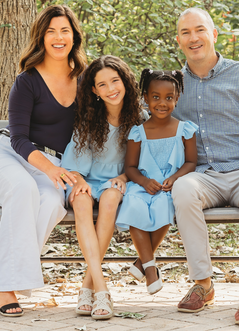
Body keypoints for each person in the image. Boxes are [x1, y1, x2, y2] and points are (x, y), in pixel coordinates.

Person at [0, 5, 87, 317]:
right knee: (23, 190)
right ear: (41, 38)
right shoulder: (28, 81)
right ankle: (6, 288)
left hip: (48, 168)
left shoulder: (85, 81)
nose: (58, 37)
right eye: (51, 31)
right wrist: (51, 169)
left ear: (74, 36)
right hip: (7, 157)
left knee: (52, 203)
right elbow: (18, 138)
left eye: (65, 30)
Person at [171, 7, 239, 327]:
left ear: (214, 34)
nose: (194, 38)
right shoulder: (174, 84)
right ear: (179, 40)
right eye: (187, 33)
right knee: (183, 189)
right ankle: (203, 284)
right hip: (203, 174)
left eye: (200, 30)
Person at [61, 55, 146, 320]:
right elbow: (74, 167)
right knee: (82, 201)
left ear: (125, 82)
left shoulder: (140, 119)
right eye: (102, 85)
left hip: (117, 182)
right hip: (85, 179)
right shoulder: (88, 120)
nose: (111, 89)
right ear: (95, 91)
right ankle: (101, 288)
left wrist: (124, 176)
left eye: (115, 81)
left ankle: (88, 287)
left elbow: (146, 162)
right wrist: (81, 181)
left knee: (110, 200)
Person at [115, 69, 198, 295]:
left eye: (169, 98)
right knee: (133, 204)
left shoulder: (185, 130)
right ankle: (151, 268)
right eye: (155, 97)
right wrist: (143, 181)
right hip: (141, 186)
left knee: (165, 204)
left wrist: (174, 178)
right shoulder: (138, 132)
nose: (162, 103)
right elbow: (130, 167)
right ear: (145, 98)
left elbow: (191, 162)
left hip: (169, 187)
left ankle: (144, 263)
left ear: (177, 98)